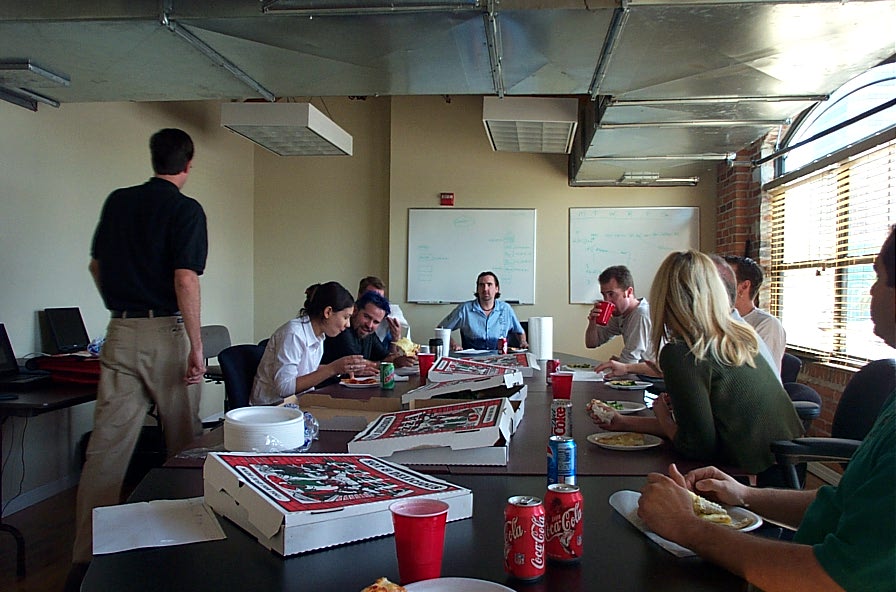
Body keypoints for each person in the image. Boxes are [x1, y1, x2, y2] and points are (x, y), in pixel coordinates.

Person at [638, 226, 896, 592]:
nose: (869, 290)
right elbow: (845, 502)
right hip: (770, 485)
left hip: (772, 504)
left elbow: (830, 579)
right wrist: (745, 496)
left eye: (878, 277)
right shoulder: (741, 334)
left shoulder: (683, 352)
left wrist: (685, 526)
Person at [71, 129, 208, 576]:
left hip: (119, 330)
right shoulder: (186, 209)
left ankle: (84, 560)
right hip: (164, 333)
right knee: (184, 443)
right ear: (187, 165)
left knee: (106, 452)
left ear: (153, 159)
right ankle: (189, 545)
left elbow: (96, 265)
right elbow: (185, 278)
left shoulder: (118, 201)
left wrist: (121, 307)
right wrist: (197, 346)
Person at [589, 250, 802, 474]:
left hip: (748, 477)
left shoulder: (682, 352)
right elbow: (695, 431)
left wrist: (662, 414)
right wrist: (623, 422)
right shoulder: (740, 332)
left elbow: (695, 447)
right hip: (784, 467)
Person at [251, 282, 366, 406]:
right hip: (271, 408)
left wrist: (342, 368)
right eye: (346, 317)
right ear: (328, 312)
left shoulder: (319, 336)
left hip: (297, 404)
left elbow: (305, 370)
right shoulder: (293, 334)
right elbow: (285, 388)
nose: (348, 324)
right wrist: (332, 368)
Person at [317, 290, 417, 386]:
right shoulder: (343, 330)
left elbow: (386, 357)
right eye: (366, 317)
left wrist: (398, 359)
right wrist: (390, 363)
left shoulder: (368, 333)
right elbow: (357, 365)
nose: (369, 325)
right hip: (325, 389)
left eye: (376, 322)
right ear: (355, 311)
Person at [724, 255, 786, 373]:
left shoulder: (767, 325)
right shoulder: (717, 319)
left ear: (743, 287)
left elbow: (760, 373)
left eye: (723, 279)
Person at [438, 271, 528, 350]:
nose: (485, 289)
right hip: (472, 359)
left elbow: (520, 332)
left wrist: (523, 342)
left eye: (489, 285)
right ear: (477, 289)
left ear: (497, 288)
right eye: (481, 285)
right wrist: (453, 345)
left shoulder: (506, 309)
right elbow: (441, 329)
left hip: (500, 357)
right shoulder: (465, 309)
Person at [586, 265, 653, 367]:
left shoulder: (641, 314)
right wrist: (592, 323)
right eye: (604, 295)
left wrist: (621, 365)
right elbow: (592, 343)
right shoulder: (620, 314)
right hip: (641, 371)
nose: (607, 300)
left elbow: (630, 360)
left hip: (658, 375)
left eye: (611, 294)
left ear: (629, 292)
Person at [357, 275, 411, 347]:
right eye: (371, 297)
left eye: (380, 299)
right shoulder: (349, 323)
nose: (376, 303)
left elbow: (390, 353)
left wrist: (396, 338)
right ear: (359, 295)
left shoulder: (386, 323)